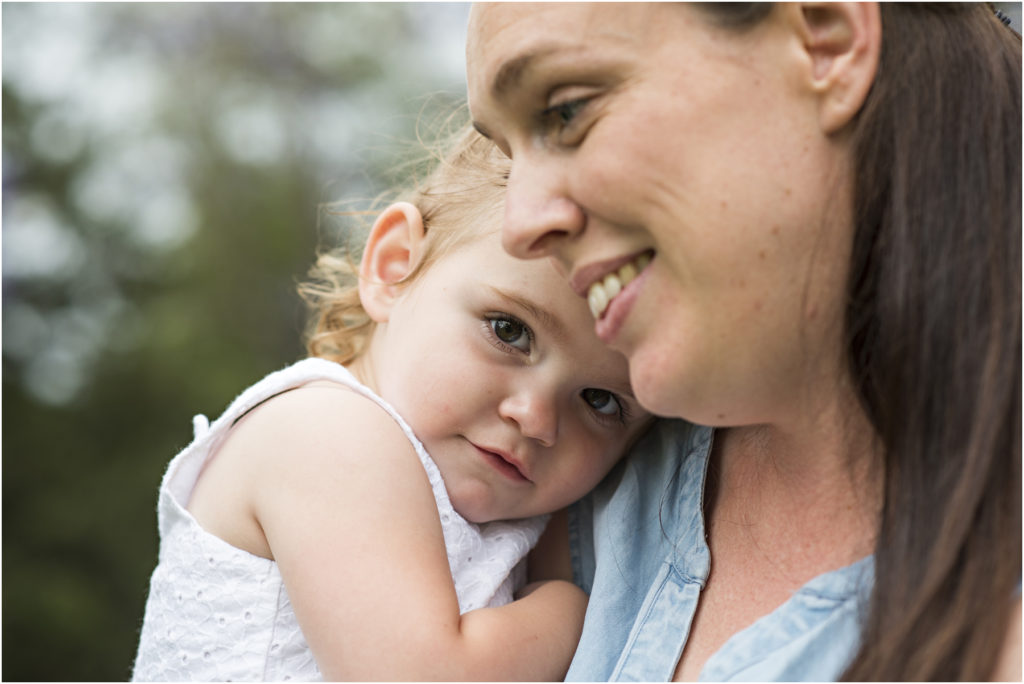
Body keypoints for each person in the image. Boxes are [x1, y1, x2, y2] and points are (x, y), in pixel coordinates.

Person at [465, 2, 1021, 681]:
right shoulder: (572, 469)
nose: (519, 226)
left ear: (825, 41)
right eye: (507, 157)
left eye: (566, 111)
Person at [131, 124, 653, 681]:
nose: (536, 419)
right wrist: (574, 609)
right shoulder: (326, 431)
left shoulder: (502, 506)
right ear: (395, 266)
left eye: (600, 400)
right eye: (509, 330)